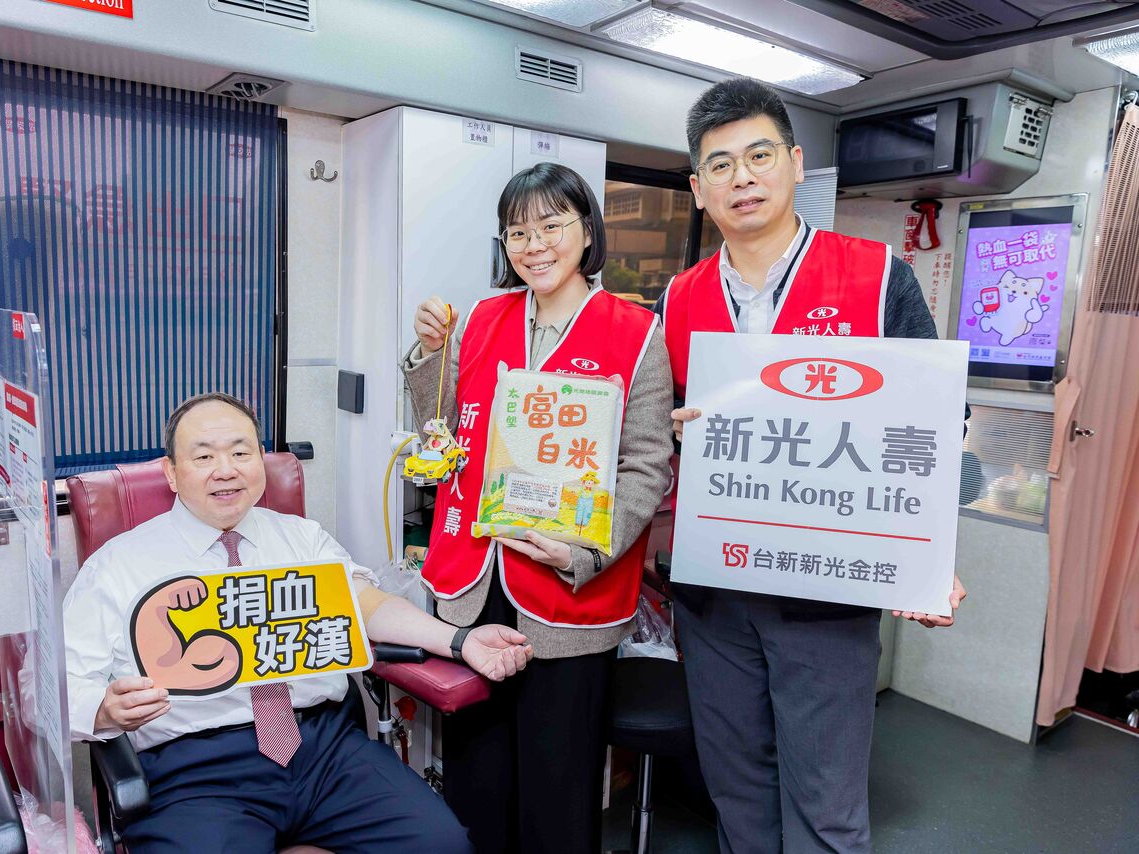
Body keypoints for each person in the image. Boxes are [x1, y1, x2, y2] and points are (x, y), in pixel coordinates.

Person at [658, 78, 968, 854]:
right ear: (698, 189)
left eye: (759, 155)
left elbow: (935, 420)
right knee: (738, 795)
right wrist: (671, 430)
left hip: (826, 594)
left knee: (826, 809)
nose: (742, 178)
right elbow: (655, 430)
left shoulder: (876, 275)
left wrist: (928, 556)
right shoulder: (679, 298)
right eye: (720, 165)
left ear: (796, 164)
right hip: (715, 592)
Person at [63, 392, 535, 854]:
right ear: (171, 471)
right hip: (196, 772)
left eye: (241, 452)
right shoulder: (118, 566)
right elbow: (58, 687)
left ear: (260, 459)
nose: (225, 469)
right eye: (203, 456)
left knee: (442, 845)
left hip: (323, 750)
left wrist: (460, 640)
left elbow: (366, 605)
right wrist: (104, 711)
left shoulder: (302, 540)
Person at [402, 162, 673, 854]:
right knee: (476, 781)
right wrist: (429, 351)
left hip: (568, 591)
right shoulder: (481, 318)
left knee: (558, 789)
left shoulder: (637, 332)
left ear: (587, 230)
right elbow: (442, 426)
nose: (535, 245)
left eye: (551, 225)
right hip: (475, 580)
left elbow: (647, 465)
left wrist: (587, 552)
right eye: (517, 232)